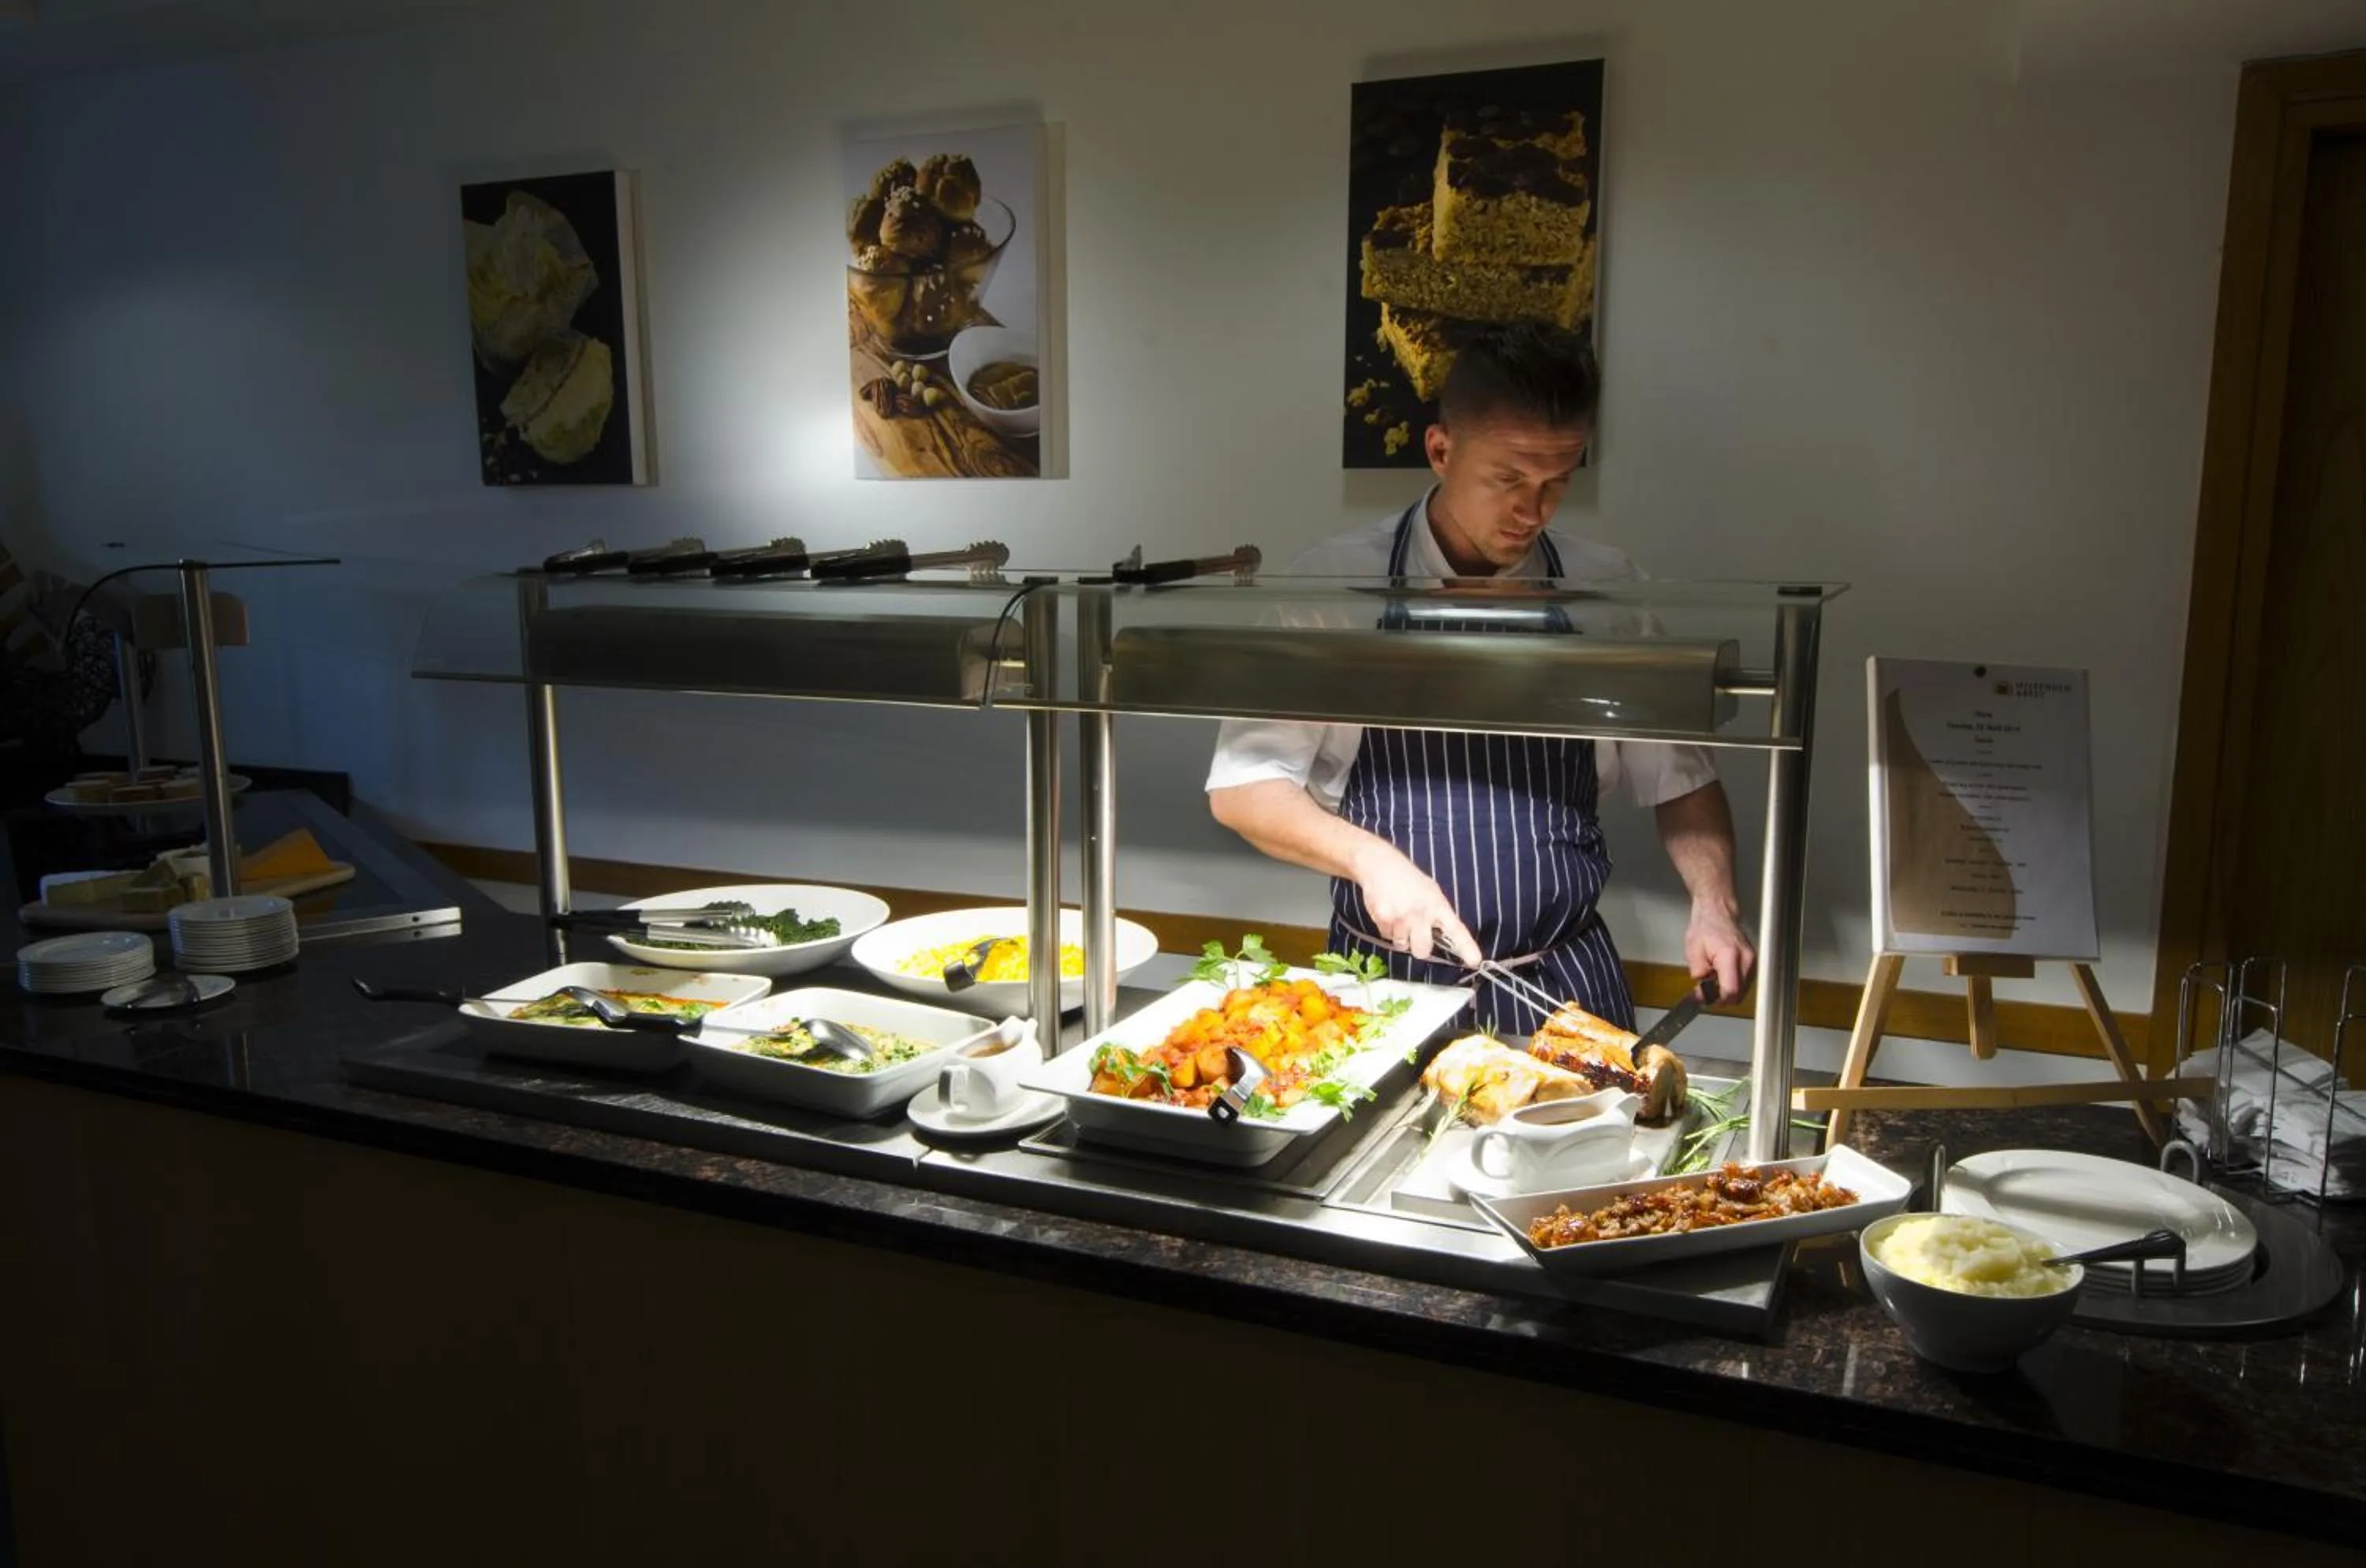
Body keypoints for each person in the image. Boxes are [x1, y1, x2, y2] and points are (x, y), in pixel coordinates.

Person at [1204, 321, 1754, 1034]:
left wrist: (1714, 903)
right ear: (1441, 450)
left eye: (1558, 480)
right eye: (1508, 478)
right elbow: (1244, 792)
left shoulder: (1607, 594)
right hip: (1383, 987)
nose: (1533, 510)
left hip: (1565, 984)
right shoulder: (1332, 588)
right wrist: (1371, 860)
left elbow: (1681, 779)